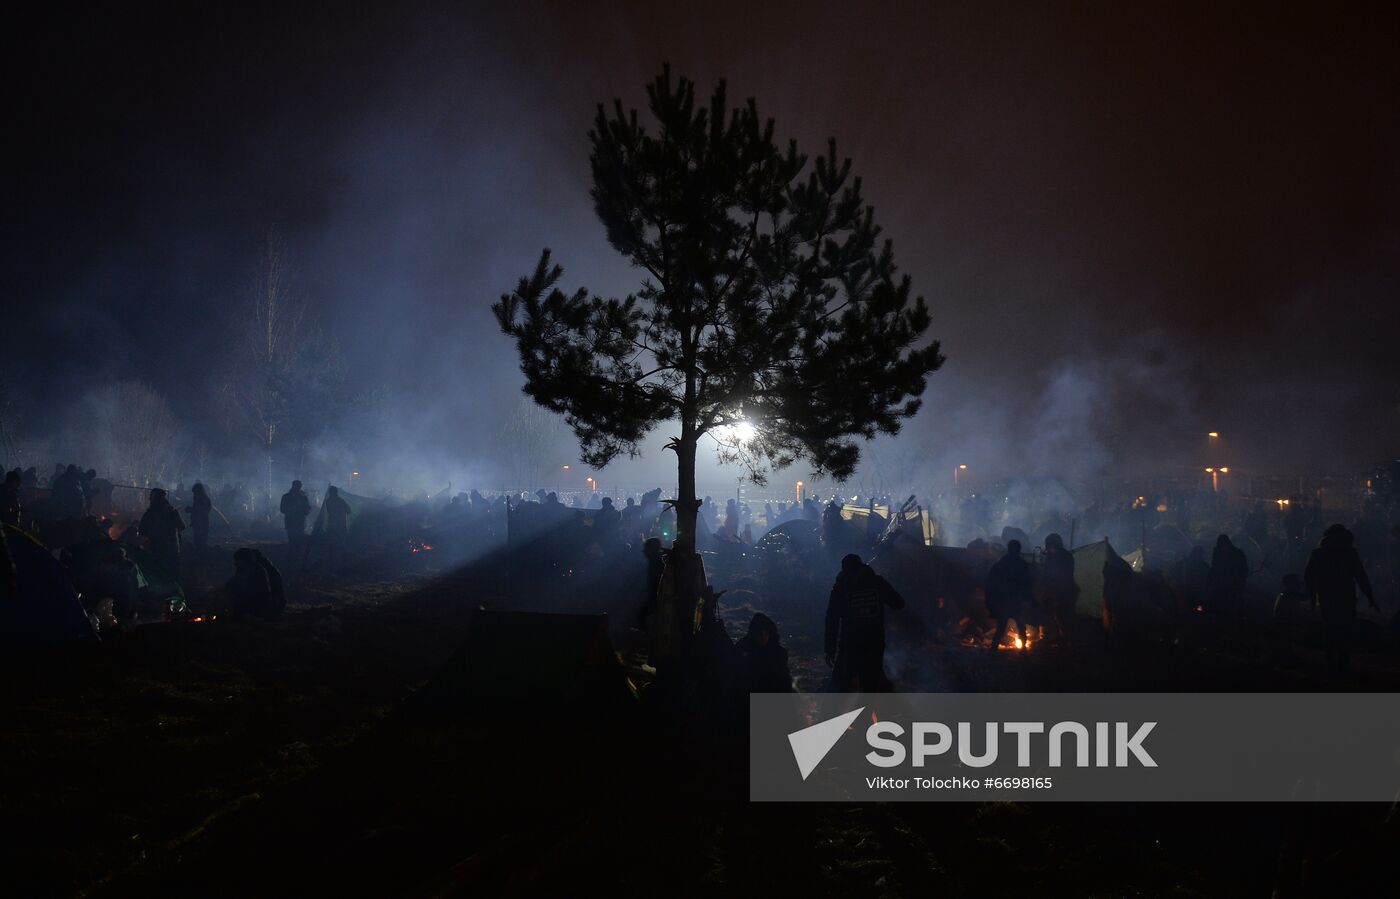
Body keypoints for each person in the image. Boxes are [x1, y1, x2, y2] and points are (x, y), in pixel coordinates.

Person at [824, 553, 905, 691]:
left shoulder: (841, 587)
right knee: (869, 687)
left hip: (850, 646)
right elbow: (898, 603)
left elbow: (832, 620)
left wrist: (830, 649)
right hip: (874, 644)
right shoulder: (877, 583)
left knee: (842, 686)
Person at [1304, 524, 1377, 675]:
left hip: (1327, 597)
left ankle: (1330, 661)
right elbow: (1361, 577)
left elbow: (1309, 577)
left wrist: (1312, 597)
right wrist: (1370, 597)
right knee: (1345, 629)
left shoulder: (1319, 553)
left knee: (1331, 628)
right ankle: (1343, 662)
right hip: (1345, 596)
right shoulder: (1349, 553)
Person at [986, 539, 1034, 650]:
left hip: (1005, 602)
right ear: (1018, 549)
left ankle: (993, 652)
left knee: (1002, 627)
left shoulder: (1001, 564)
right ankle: (1023, 652)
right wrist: (1029, 599)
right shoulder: (1022, 565)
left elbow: (991, 584)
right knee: (1020, 626)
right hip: (1015, 602)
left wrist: (991, 602)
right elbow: (1027, 584)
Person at [734, 612, 794, 693]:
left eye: (766, 634)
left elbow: (783, 681)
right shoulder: (742, 649)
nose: (763, 638)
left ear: (770, 634)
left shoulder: (778, 654)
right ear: (753, 634)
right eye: (760, 634)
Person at [139, 488, 186, 578]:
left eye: (150, 497)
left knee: (158, 576)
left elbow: (142, 532)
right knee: (172, 576)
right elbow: (182, 527)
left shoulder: (150, 514)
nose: (149, 499)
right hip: (172, 549)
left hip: (156, 550)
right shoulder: (172, 511)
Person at [1041, 532, 1078, 646]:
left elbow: (1054, 574)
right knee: (1060, 615)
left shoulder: (1057, 557)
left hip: (1062, 590)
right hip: (1067, 589)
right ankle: (1062, 638)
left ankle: (1065, 639)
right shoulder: (1065, 555)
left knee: (1061, 615)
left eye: (1049, 545)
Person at [1207, 534, 1248, 617]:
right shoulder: (1218, 553)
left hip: (1233, 587)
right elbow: (1214, 568)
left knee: (1233, 609)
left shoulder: (1235, 553)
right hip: (1221, 587)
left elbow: (1244, 569)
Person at [226, 548, 273, 618]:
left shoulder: (254, 571)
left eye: (237, 560)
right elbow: (231, 583)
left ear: (243, 560)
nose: (235, 563)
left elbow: (249, 592)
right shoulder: (244, 569)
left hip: (257, 606)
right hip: (254, 604)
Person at [280, 480, 312, 550]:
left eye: (298, 487)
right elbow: (282, 509)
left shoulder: (303, 497)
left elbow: (307, 510)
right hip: (291, 523)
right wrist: (293, 510)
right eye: (297, 486)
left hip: (298, 524)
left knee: (298, 543)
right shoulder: (287, 497)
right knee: (293, 542)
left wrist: (304, 510)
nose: (298, 488)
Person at [187, 483, 212, 555]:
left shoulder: (204, 499)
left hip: (202, 523)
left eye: (195, 492)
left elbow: (202, 511)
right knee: (197, 541)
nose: (194, 494)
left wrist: (191, 510)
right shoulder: (199, 498)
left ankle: (202, 558)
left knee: (200, 542)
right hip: (198, 523)